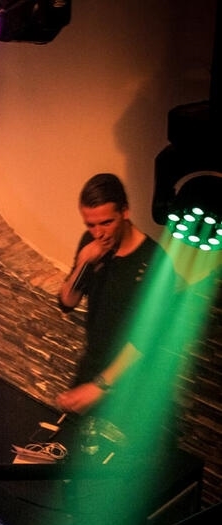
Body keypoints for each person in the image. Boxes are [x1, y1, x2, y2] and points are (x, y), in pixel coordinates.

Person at [56, 172, 177, 448]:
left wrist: (101, 385)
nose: (99, 233)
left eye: (107, 222)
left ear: (125, 211)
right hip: (94, 365)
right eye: (91, 224)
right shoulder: (92, 245)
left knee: (116, 457)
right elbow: (67, 302)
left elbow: (146, 339)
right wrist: (84, 263)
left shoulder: (155, 262)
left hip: (131, 379)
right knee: (70, 448)